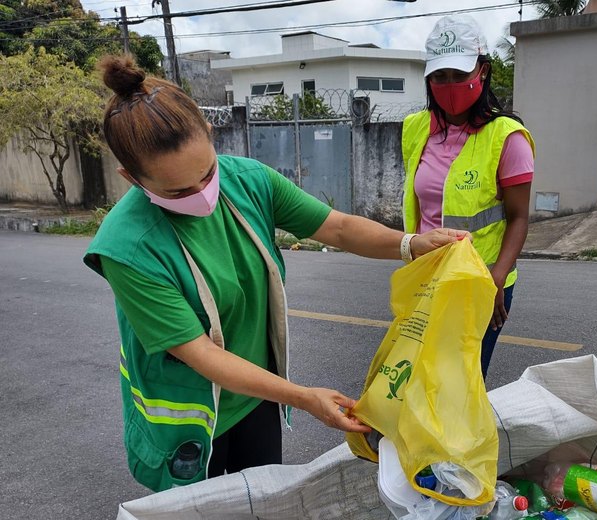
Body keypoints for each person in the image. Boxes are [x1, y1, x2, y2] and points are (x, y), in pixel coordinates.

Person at [83, 55, 468, 492]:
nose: (202, 195)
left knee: (264, 501)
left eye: (207, 173)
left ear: (211, 135)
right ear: (130, 178)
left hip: (256, 400)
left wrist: (410, 244)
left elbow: (337, 226)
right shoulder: (128, 248)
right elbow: (204, 356)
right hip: (186, 422)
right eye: (176, 191)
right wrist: (305, 398)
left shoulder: (249, 181)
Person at [402, 15, 535, 378]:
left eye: (460, 75)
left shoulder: (508, 138)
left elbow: (519, 217)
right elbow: (422, 206)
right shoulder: (415, 128)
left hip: (482, 284)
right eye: (439, 76)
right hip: (426, 279)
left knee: (461, 384)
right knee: (422, 379)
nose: (449, 85)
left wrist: (496, 279)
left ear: (483, 70)